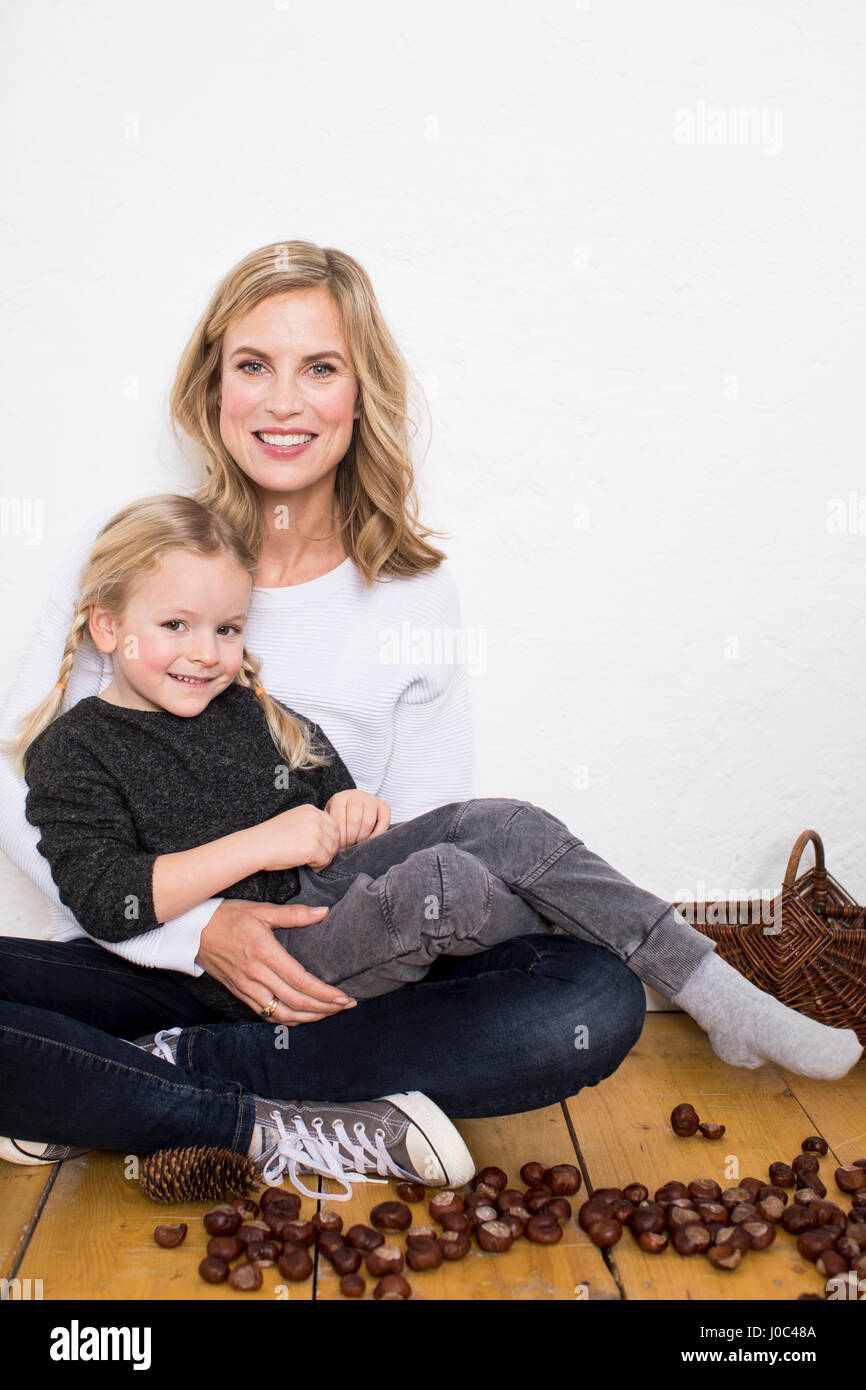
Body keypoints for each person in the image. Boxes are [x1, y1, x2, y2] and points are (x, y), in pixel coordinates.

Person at [0, 240, 651, 1187]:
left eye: (320, 368)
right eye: (252, 366)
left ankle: (132, 1085)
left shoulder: (414, 594)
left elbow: (434, 838)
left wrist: (332, 940)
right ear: (212, 386)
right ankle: (278, 1115)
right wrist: (200, 934)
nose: (282, 402)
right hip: (138, 955)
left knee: (591, 996)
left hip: (340, 971)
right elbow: (20, 778)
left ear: (360, 392)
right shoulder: (136, 552)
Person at [9, 495, 863, 1096]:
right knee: (447, 884)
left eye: (228, 629)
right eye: (176, 627)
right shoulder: (75, 750)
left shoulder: (245, 709)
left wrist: (352, 812)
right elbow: (108, 899)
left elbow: (340, 812)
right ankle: (224, 1068)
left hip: (325, 901)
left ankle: (716, 993)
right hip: (259, 967)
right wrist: (263, 846)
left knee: (504, 823)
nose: (207, 652)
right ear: (107, 627)